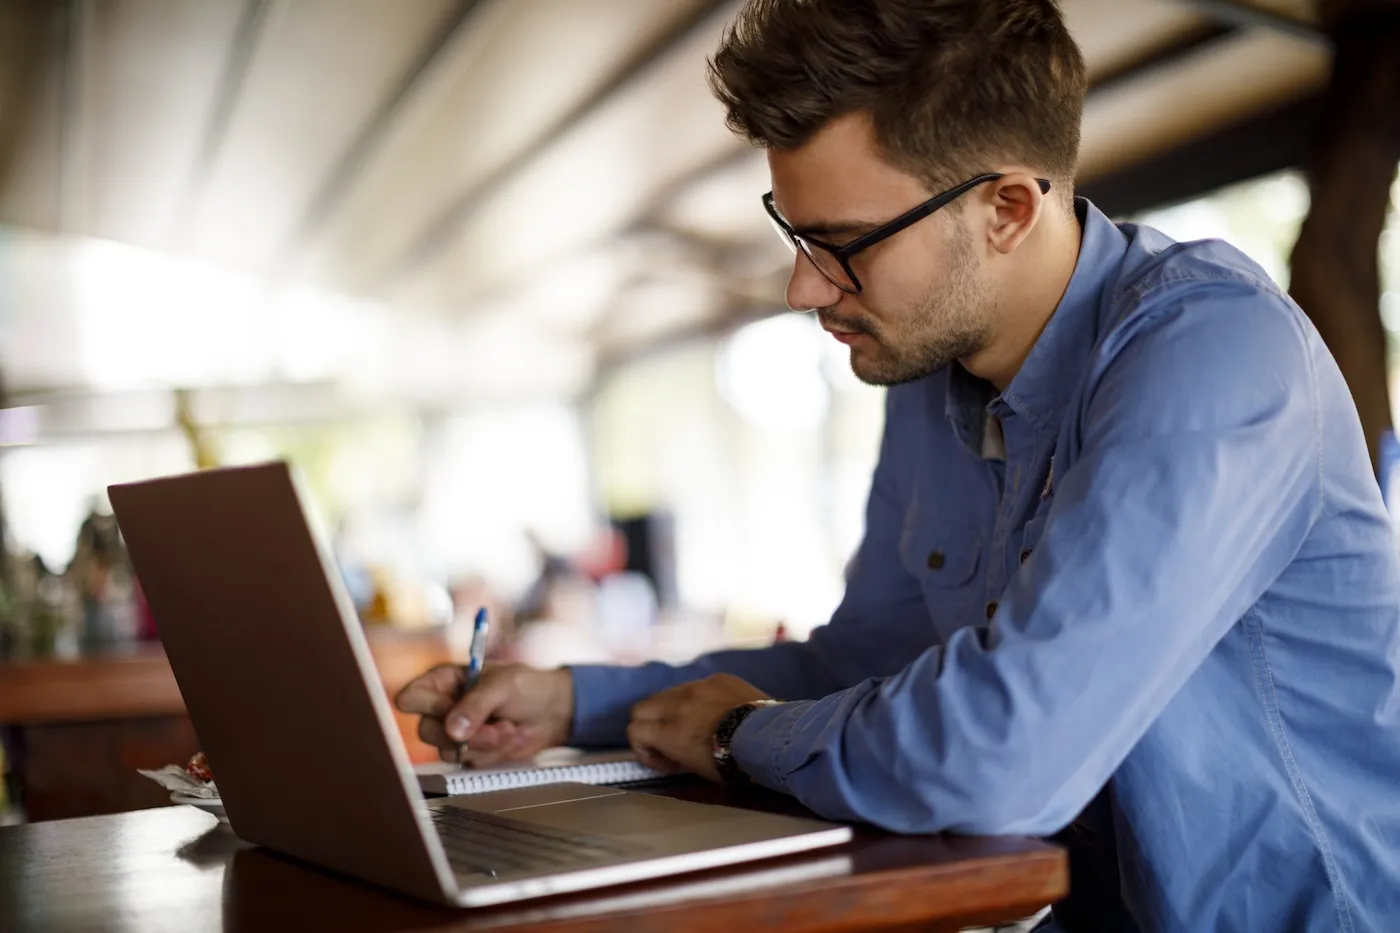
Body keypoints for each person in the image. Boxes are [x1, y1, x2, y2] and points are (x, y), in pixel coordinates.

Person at [397, 1, 1400, 929]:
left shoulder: (1214, 354)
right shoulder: (933, 366)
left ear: (1005, 208)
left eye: (843, 245)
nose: (801, 287)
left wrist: (737, 733)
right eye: (794, 235)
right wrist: (577, 701)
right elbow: (866, 663)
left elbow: (1000, 759)